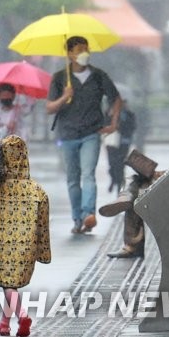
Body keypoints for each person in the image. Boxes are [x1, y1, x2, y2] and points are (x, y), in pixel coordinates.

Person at [99, 91, 169, 258]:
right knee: (135, 179)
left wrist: (163, 175)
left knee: (135, 185)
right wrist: (161, 173)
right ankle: (126, 201)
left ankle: (127, 209)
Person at [46, 35, 121, 235]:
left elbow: (115, 99)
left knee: (88, 174)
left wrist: (113, 123)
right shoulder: (60, 78)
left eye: (86, 49)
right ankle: (77, 219)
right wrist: (65, 96)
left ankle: (89, 213)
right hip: (68, 134)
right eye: (79, 50)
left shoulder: (98, 76)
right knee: (72, 178)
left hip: (91, 133)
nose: (83, 53)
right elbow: (50, 108)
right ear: (69, 53)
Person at [0, 135, 51, 337]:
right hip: (26, 246)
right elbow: (43, 225)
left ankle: (22, 315)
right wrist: (43, 253)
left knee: (7, 282)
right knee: (10, 282)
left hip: (0, 243)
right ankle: (4, 323)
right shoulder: (37, 191)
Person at [104, 98, 137, 194]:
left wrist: (122, 127)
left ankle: (119, 184)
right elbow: (103, 125)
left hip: (123, 142)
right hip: (111, 142)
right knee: (112, 164)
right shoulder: (109, 112)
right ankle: (114, 179)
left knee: (121, 164)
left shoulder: (129, 114)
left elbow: (132, 127)